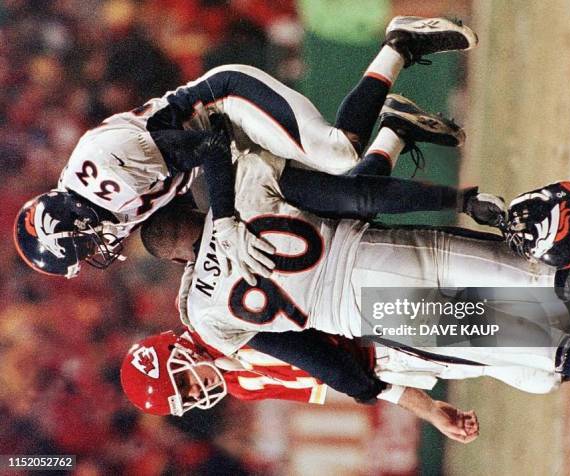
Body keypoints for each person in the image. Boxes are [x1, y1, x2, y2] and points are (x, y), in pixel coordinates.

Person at [13, 15, 478, 280]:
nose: (97, 247)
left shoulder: (105, 168)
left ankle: (401, 43)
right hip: (215, 153)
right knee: (339, 199)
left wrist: (230, 221)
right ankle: (396, 126)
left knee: (336, 154)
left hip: (225, 106)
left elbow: (210, 146)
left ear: (75, 219)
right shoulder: (100, 205)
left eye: (84, 242)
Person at [120, 327, 480, 444]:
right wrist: (429, 410)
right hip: (392, 364)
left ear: (173, 350)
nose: (195, 391)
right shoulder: (242, 387)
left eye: (182, 382)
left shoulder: (220, 321)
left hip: (376, 318)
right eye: (185, 397)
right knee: (533, 371)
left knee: (524, 321)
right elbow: (359, 382)